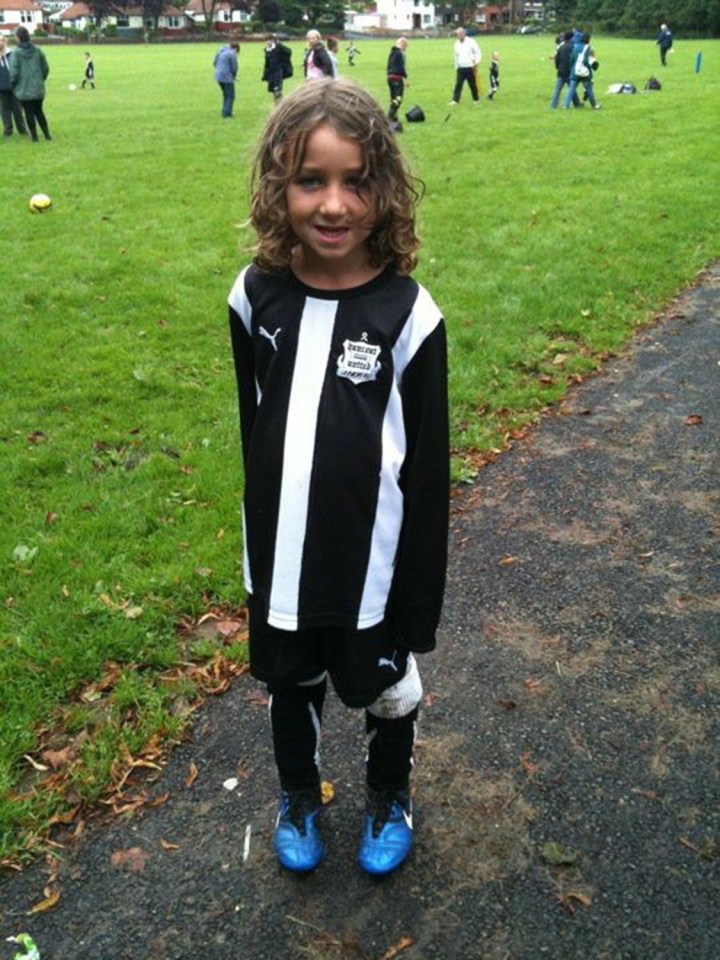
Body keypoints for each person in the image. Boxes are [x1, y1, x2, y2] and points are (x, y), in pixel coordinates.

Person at [228, 77, 449, 877]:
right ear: (276, 187)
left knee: (387, 690)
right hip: (284, 559)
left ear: (383, 190)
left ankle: (390, 794)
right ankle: (298, 797)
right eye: (309, 180)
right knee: (293, 683)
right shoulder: (255, 298)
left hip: (374, 572)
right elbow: (255, 429)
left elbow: (427, 467)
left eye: (355, 181)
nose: (332, 204)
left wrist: (416, 596)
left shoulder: (409, 315)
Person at [8, 26, 51, 142]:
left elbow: (14, 72)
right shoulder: (37, 50)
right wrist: (40, 79)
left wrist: (13, 85)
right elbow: (45, 68)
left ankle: (35, 137)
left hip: (23, 89)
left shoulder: (16, 53)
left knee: (29, 113)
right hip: (37, 87)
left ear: (18, 38)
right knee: (39, 111)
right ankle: (47, 134)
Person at [564, 32, 600, 110]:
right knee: (589, 89)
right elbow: (590, 61)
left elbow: (572, 58)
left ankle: (566, 105)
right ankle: (594, 105)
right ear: (588, 40)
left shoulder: (576, 47)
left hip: (575, 71)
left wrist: (572, 68)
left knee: (571, 90)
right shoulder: (589, 48)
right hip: (585, 73)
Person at [0, 37, 28, 136]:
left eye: (1, 41)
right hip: (2, 88)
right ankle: (8, 130)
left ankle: (22, 130)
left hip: (14, 87)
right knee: (4, 110)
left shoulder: (12, 54)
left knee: (17, 110)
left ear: (5, 42)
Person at [449, 27, 481, 105]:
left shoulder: (471, 42)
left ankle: (475, 99)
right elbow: (456, 56)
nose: (458, 36)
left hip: (470, 66)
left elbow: (478, 52)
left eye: (460, 34)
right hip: (461, 67)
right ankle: (455, 100)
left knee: (472, 84)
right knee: (458, 84)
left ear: (464, 34)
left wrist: (476, 62)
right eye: (457, 35)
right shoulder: (456, 44)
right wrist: (456, 66)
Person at [550, 30, 580, 108]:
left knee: (557, 90)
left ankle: (553, 105)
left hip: (561, 70)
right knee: (572, 88)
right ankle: (576, 104)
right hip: (570, 71)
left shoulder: (561, 47)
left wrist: (557, 67)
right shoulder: (574, 47)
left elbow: (557, 59)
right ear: (571, 38)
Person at [262, 34, 292, 103]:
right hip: (271, 73)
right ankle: (279, 102)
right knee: (273, 89)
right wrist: (265, 74)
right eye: (266, 41)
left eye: (269, 40)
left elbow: (289, 51)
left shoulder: (278, 48)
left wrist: (280, 44)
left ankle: (281, 103)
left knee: (277, 89)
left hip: (278, 71)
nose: (267, 42)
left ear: (272, 41)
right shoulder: (267, 50)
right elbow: (267, 63)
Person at [386, 36, 408, 129]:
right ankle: (389, 116)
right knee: (398, 98)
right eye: (406, 47)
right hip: (397, 78)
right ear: (403, 45)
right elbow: (401, 67)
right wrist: (405, 78)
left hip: (390, 77)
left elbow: (388, 66)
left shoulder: (392, 52)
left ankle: (394, 117)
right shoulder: (400, 53)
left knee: (393, 97)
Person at [213, 41, 239, 118]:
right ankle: (227, 114)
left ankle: (224, 110)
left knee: (225, 95)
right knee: (230, 96)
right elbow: (234, 67)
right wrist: (234, 76)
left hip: (218, 76)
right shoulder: (232, 54)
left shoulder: (220, 51)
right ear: (235, 48)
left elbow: (214, 63)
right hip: (227, 77)